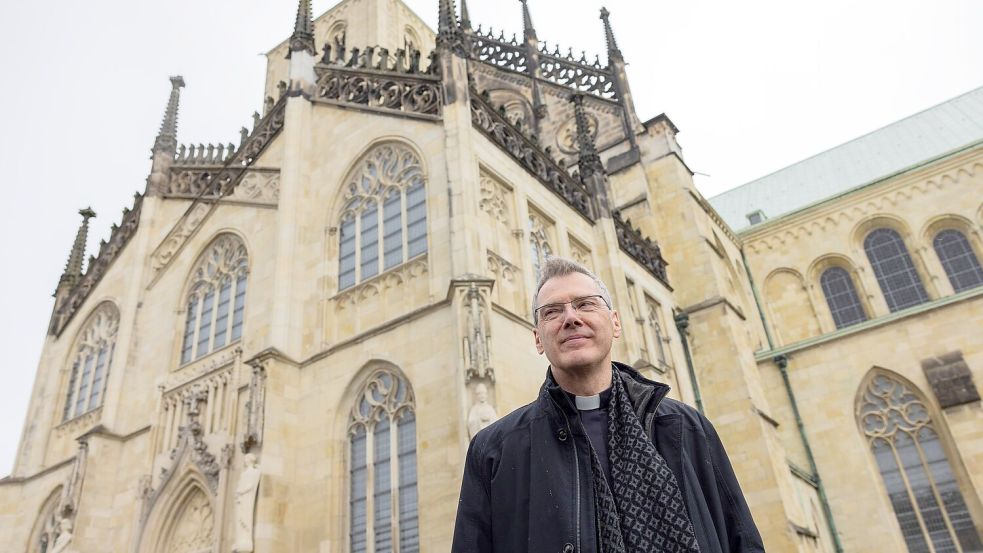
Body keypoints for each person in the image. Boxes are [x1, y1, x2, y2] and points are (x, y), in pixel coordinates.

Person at [452, 257, 764, 553]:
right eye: (552, 312)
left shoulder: (685, 428)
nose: (571, 318)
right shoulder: (494, 450)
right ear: (538, 339)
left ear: (615, 323)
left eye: (585, 304)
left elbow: (742, 541)